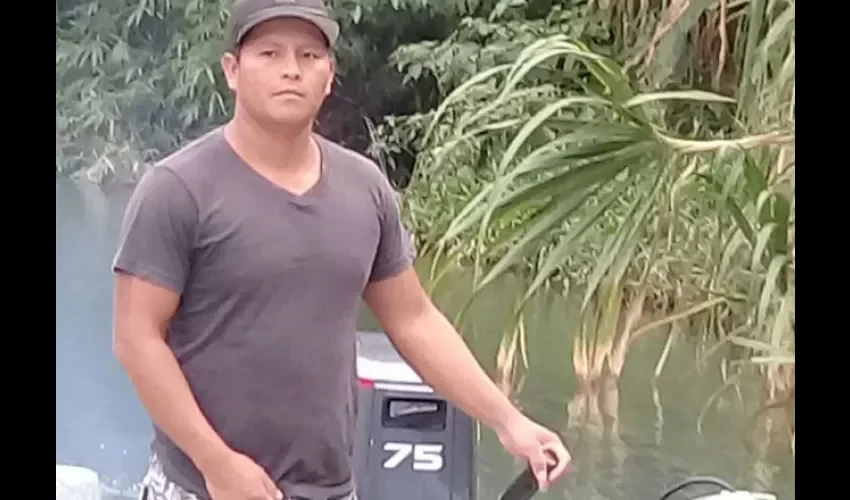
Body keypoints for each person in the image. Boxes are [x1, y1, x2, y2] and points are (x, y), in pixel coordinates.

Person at [111, 1, 572, 499]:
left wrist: (508, 420)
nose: (291, 70)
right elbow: (137, 339)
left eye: (309, 56)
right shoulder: (178, 190)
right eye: (270, 53)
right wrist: (215, 461)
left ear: (329, 76)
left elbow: (414, 320)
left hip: (330, 488)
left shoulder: (364, 188)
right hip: (202, 487)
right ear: (232, 71)